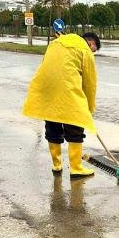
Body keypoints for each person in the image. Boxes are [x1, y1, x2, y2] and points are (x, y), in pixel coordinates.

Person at [22, 32, 101, 179]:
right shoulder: (85, 50)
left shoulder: (56, 43)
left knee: (52, 124)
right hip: (67, 91)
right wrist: (89, 108)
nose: (92, 53)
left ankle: (56, 165)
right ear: (91, 43)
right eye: (94, 50)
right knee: (75, 126)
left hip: (46, 90)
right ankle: (76, 168)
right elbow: (90, 84)